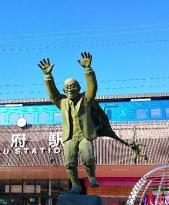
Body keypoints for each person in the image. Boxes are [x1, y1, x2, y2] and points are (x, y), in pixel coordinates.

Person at [38, 52, 147, 194]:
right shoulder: (62, 102)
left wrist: (87, 69)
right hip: (70, 137)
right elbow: (52, 93)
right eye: (68, 88)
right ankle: (75, 186)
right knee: (69, 163)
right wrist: (48, 76)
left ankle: (91, 176)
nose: (71, 89)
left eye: (74, 87)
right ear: (64, 90)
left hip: (85, 135)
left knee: (88, 156)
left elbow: (92, 87)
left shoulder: (86, 99)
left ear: (78, 88)